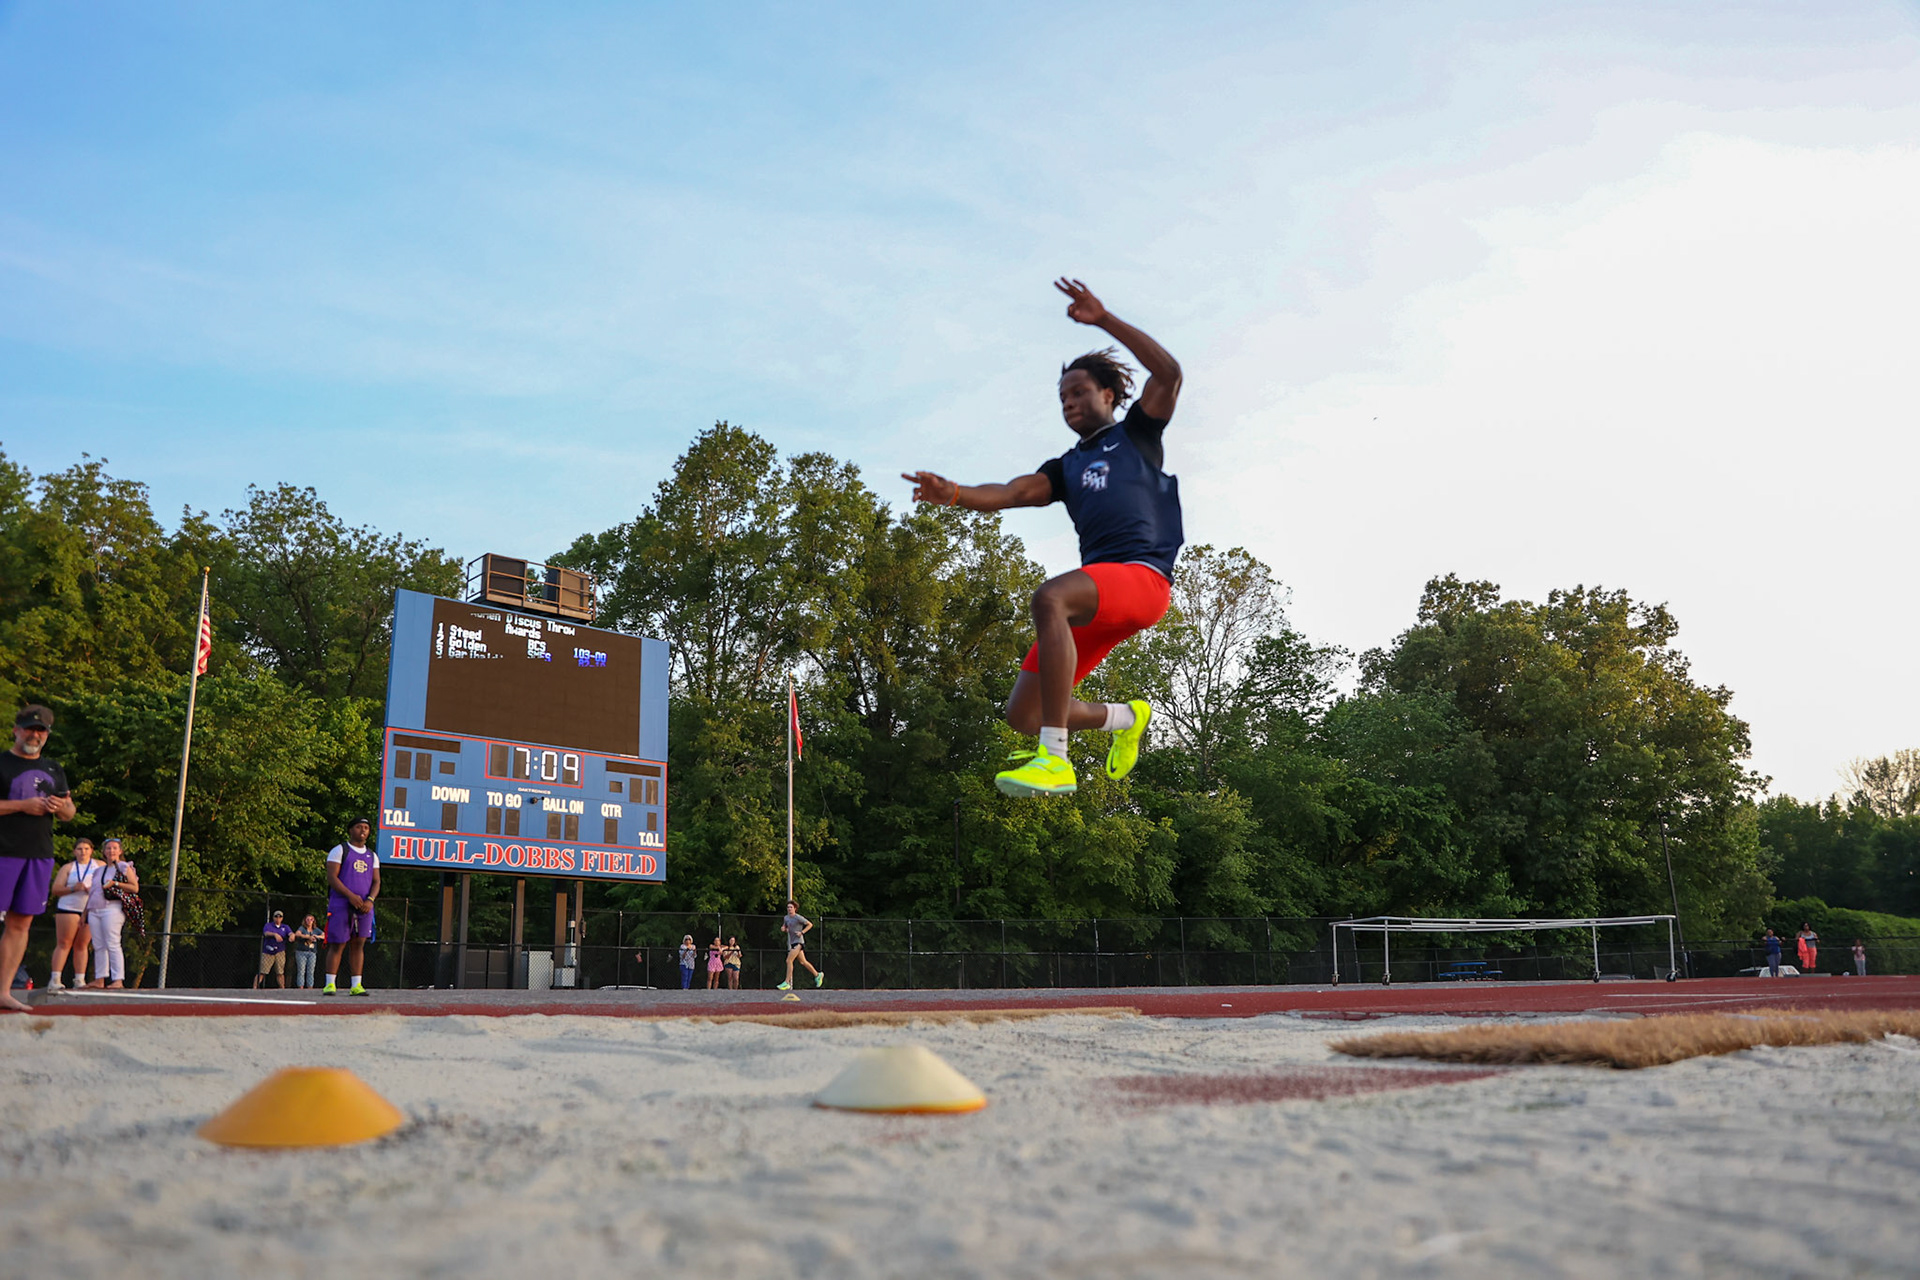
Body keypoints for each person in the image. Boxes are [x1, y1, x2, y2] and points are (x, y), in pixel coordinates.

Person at [903, 280, 1182, 798]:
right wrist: (957, 492)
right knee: (1025, 713)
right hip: (1101, 596)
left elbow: (1168, 373)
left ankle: (1055, 760)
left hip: (1142, 580)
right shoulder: (1065, 467)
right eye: (1062, 398)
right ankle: (1125, 717)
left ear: (1109, 394)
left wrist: (1104, 320)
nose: (1069, 403)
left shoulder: (1137, 434)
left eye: (1078, 392)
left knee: (1050, 596)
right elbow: (1011, 492)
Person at [0, 705, 78, 1012]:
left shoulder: (53, 769)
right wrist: (23, 805)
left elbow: (70, 813)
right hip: (3, 851)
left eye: (41, 730)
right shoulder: (3, 763)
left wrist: (60, 806)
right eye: (30, 728)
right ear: (16, 730)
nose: (35, 734)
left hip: (38, 855)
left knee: (21, 924)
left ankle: (4, 991)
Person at [322, 818, 380, 996]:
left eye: (366, 828)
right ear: (350, 830)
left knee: (359, 943)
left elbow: (377, 881)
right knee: (338, 943)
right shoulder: (340, 850)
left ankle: (356, 985)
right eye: (359, 827)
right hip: (341, 904)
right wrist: (350, 896)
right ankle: (330, 984)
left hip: (364, 906)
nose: (363, 830)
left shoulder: (372, 855)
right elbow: (332, 878)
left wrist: (370, 900)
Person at [46, 836, 99, 991]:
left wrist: (94, 890)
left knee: (82, 945)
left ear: (92, 851)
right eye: (80, 849)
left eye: (86, 849)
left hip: (89, 908)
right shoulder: (68, 868)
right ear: (74, 851)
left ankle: (79, 980)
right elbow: (56, 889)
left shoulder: (99, 866)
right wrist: (72, 888)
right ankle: (55, 978)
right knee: (64, 943)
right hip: (68, 908)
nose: (83, 852)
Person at [85, 838, 137, 989]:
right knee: (98, 945)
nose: (111, 851)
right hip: (95, 909)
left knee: (112, 943)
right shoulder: (98, 871)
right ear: (103, 852)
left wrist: (116, 884)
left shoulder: (123, 867)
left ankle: (118, 980)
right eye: (108, 848)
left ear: (120, 851)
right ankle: (99, 979)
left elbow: (134, 887)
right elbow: (93, 892)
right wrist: (85, 914)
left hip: (112, 908)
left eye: (115, 848)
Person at [778, 900, 822, 990]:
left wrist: (802, 932)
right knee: (803, 962)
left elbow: (810, 924)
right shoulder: (786, 918)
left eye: (791, 907)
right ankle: (817, 974)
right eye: (788, 907)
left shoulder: (798, 917)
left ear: (795, 909)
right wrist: (783, 929)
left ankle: (787, 982)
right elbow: (786, 927)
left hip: (799, 942)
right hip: (793, 942)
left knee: (788, 960)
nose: (789, 909)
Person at [255, 909, 292, 989]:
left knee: (280, 972)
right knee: (262, 971)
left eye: (280, 917)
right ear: (273, 917)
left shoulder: (285, 927)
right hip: (268, 951)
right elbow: (266, 933)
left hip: (280, 951)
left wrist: (292, 936)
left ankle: (282, 988)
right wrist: (275, 934)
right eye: (276, 916)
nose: (278, 918)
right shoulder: (268, 925)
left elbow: (291, 933)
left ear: (282, 918)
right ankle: (254, 987)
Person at [290, 913, 321, 989]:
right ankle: (301, 986)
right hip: (301, 952)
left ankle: (310, 986)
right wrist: (308, 937)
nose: (309, 921)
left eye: (311, 919)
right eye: (307, 919)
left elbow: (323, 935)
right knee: (301, 970)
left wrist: (316, 936)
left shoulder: (316, 930)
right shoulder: (302, 928)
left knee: (311, 970)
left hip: (312, 952)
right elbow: (297, 934)